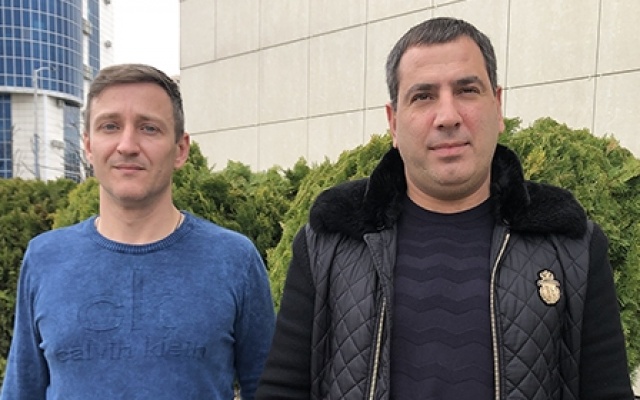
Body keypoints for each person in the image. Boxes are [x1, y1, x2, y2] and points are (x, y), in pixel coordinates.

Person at [255, 17, 634, 400]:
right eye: (423, 96)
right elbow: (283, 390)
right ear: (393, 122)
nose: (448, 116)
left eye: (467, 90)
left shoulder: (571, 246)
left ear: (498, 107)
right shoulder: (329, 244)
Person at [1, 64, 275, 400]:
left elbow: (268, 390)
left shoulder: (234, 260)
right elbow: (21, 391)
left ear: (180, 149)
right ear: (88, 146)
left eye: (149, 128)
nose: (127, 145)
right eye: (110, 126)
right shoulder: (45, 258)